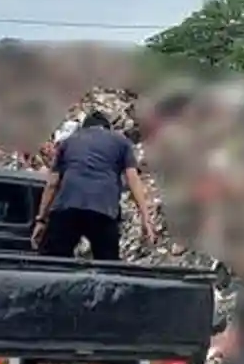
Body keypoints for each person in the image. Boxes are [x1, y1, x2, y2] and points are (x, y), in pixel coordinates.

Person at [31, 110, 155, 260]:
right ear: (107, 128)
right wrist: (145, 217)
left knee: (51, 262)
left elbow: (52, 183)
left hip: (68, 207)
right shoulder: (121, 142)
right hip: (103, 209)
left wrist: (41, 220)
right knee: (107, 265)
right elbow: (133, 179)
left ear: (84, 127)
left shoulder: (69, 141)